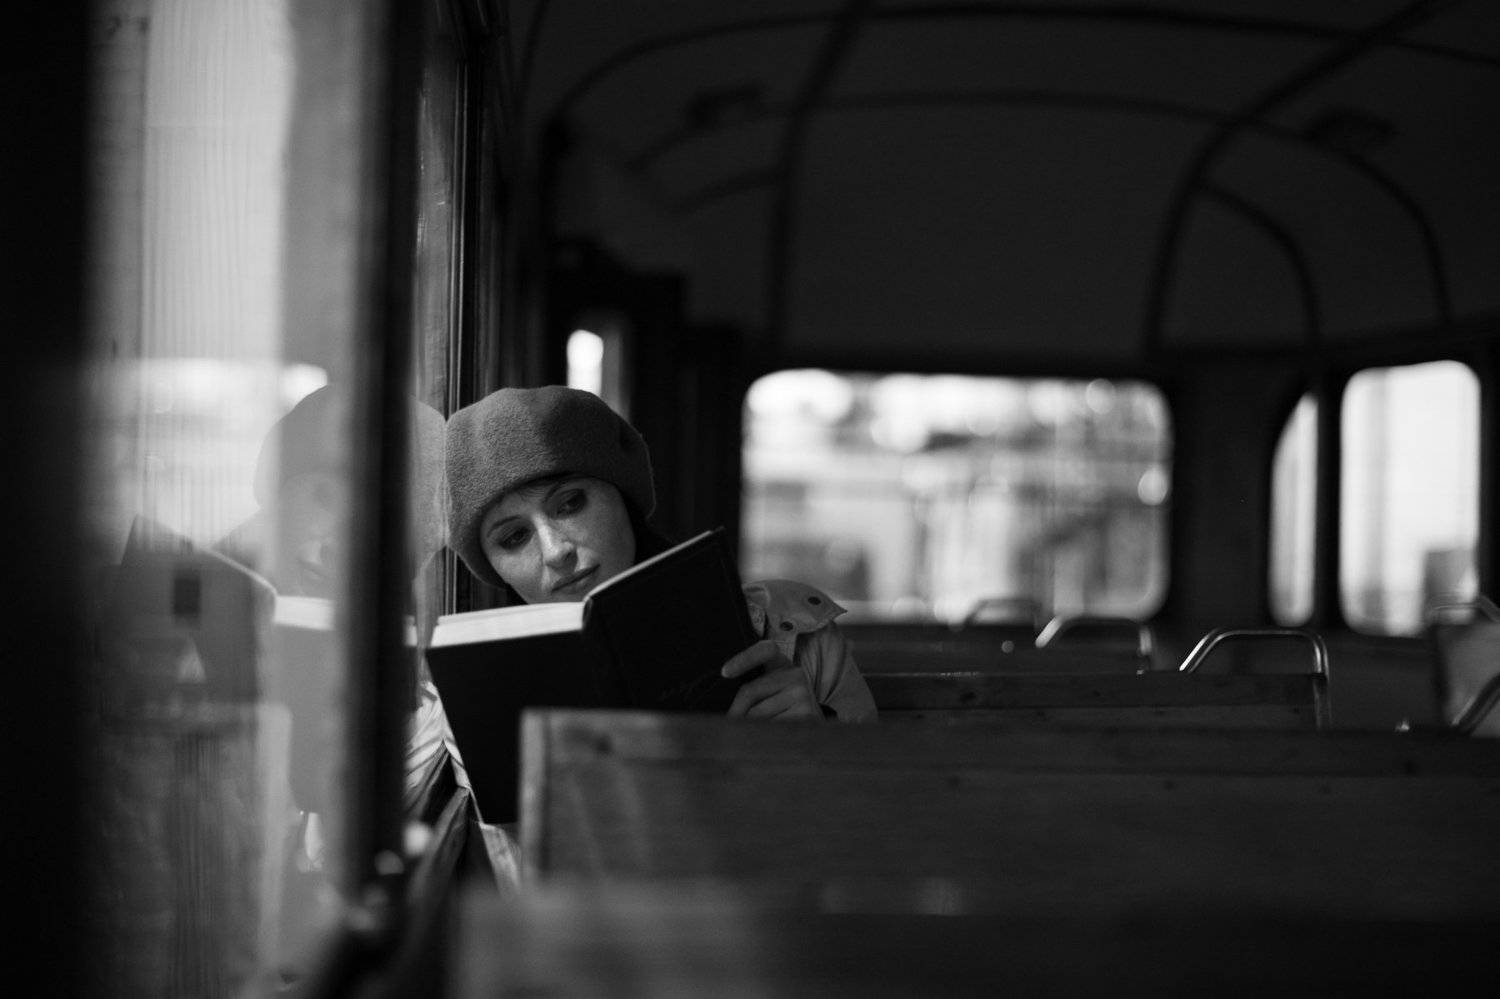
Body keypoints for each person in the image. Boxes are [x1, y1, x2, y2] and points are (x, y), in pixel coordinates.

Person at [444, 384, 877, 722]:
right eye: (514, 538)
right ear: (495, 568)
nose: (556, 551)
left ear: (624, 500)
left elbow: (881, 805)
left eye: (571, 503)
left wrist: (814, 742)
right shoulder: (472, 692)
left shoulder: (797, 632)